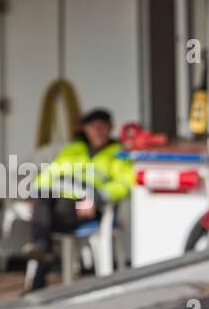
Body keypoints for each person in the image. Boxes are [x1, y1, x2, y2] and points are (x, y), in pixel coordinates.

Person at [22, 108, 133, 291]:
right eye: (93, 126)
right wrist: (34, 193)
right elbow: (49, 175)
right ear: (85, 129)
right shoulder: (73, 149)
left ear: (110, 128)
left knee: (42, 220)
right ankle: (43, 251)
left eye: (102, 126)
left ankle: (41, 265)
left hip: (90, 209)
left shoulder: (119, 153)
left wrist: (95, 196)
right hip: (60, 206)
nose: (97, 130)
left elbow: (125, 184)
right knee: (42, 197)